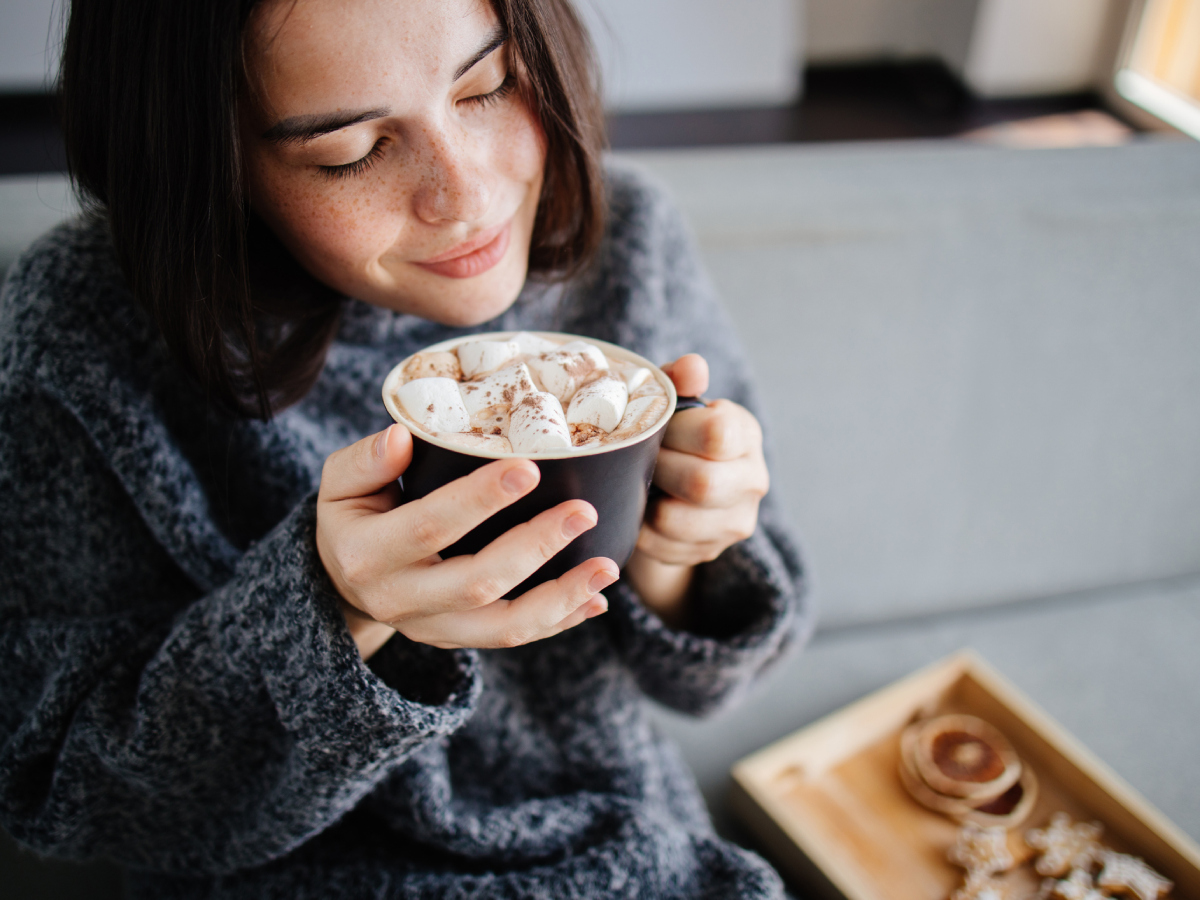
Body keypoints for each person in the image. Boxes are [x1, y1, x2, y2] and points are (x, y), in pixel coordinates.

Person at [0, 0, 812, 896]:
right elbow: (54, 788)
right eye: (350, 152)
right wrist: (330, 610)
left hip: (631, 850)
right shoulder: (87, 338)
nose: (464, 197)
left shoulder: (625, 243)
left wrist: (681, 551)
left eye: (489, 85)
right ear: (213, 165)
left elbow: (717, 685)